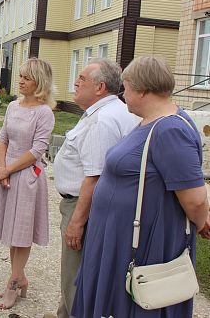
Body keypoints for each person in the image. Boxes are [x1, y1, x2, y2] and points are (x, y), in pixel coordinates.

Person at [72, 56, 210, 318]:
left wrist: (202, 219)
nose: (124, 95)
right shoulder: (153, 121)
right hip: (120, 238)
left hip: (142, 244)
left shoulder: (170, 130)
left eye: (127, 87)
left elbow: (195, 198)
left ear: (143, 89)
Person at [47, 59, 137, 318]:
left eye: (82, 78)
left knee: (76, 274)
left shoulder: (103, 119)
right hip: (86, 204)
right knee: (76, 271)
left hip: (83, 205)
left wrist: (76, 222)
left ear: (100, 87)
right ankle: (65, 312)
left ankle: (74, 312)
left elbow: (95, 176)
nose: (76, 82)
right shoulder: (108, 112)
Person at [0, 58, 55, 310]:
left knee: (21, 234)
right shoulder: (13, 106)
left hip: (27, 177)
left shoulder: (44, 112)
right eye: (21, 76)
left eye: (26, 77)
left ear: (39, 82)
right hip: (8, 173)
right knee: (12, 231)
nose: (21, 81)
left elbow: (37, 150)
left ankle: (12, 284)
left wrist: (9, 170)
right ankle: (20, 277)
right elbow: (2, 139)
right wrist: (1, 169)